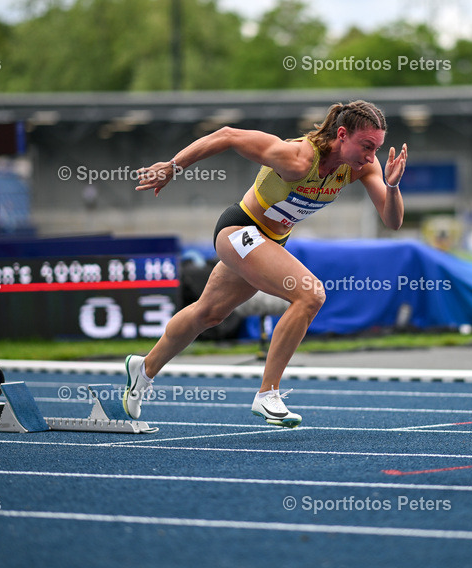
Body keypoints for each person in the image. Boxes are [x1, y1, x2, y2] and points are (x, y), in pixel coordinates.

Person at [124, 101, 407, 427]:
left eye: (377, 148)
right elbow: (228, 135)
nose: (372, 156)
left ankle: (143, 369)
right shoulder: (297, 158)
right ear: (342, 135)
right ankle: (267, 393)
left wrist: (392, 185)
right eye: (366, 146)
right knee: (310, 294)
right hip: (239, 230)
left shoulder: (361, 167)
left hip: (269, 242)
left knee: (209, 312)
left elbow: (392, 221)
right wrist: (174, 166)